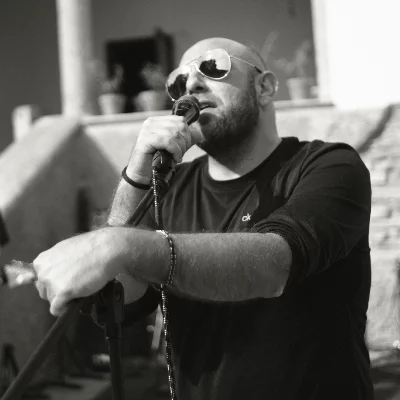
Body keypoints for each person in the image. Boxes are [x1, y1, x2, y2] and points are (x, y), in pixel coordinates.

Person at [33, 37, 373, 399]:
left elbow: (277, 264)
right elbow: (121, 291)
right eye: (178, 82)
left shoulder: (328, 166)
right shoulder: (170, 188)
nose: (191, 84)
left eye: (213, 67)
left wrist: (122, 245)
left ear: (264, 87)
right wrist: (136, 175)